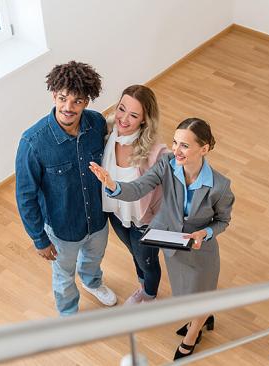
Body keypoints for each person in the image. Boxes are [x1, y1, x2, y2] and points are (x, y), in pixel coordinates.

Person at [89, 118, 234, 360]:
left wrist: (205, 233)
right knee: (185, 294)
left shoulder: (220, 186)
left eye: (185, 146)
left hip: (201, 252)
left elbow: (222, 221)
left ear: (204, 149)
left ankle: (192, 336)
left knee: (201, 294)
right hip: (173, 247)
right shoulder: (167, 164)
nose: (176, 150)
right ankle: (203, 318)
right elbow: (138, 188)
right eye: (175, 143)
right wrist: (113, 185)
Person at [15, 61, 117, 316]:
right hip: (62, 229)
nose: (68, 108)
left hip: (97, 220)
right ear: (53, 95)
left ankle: (92, 282)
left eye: (77, 101)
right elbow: (25, 196)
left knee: (93, 260)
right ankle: (68, 310)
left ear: (87, 102)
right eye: (62, 99)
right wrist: (39, 239)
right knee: (63, 275)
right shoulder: (32, 142)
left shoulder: (96, 125)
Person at [102, 85, 168, 304]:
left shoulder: (156, 153)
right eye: (122, 109)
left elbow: (174, 189)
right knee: (135, 254)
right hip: (117, 214)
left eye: (133, 115)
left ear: (144, 120)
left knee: (148, 261)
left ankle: (149, 296)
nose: (124, 119)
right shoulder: (108, 134)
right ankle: (143, 287)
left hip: (144, 222)